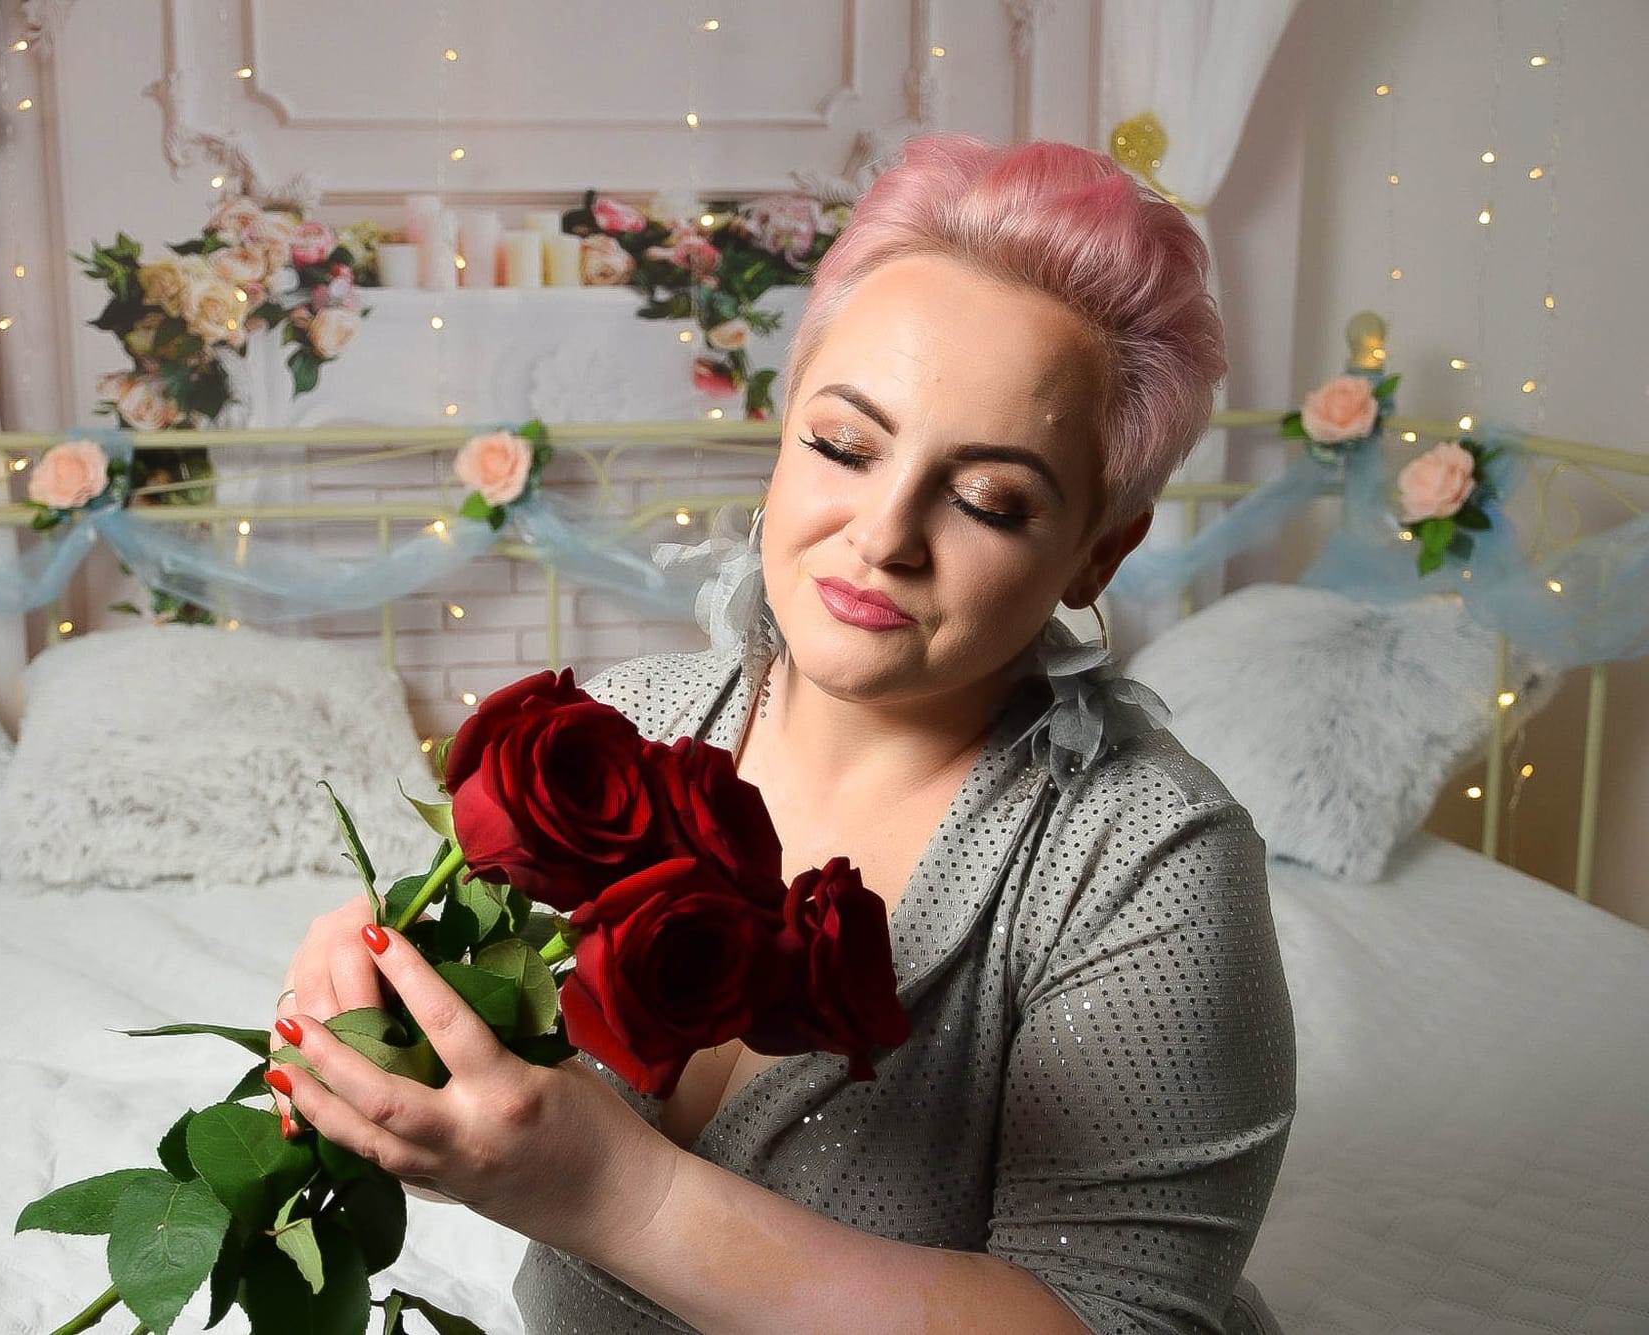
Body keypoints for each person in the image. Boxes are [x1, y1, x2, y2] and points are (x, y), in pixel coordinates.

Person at [266, 132, 1296, 1334]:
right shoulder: (616, 735)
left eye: (987, 500)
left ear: (1097, 553)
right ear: (781, 430)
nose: (882, 535)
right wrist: (388, 1053)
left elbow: (1124, 1321)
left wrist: (617, 1194)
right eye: (843, 446)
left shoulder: (1147, 860)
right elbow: (501, 1097)